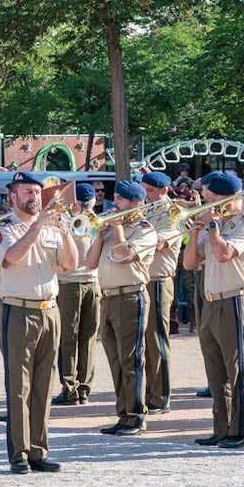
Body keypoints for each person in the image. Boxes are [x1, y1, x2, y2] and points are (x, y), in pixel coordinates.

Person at [0, 171, 79, 474]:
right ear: (13, 197)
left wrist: (64, 231)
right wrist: (37, 227)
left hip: (49, 310)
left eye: (37, 192)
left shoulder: (53, 227)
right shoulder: (3, 229)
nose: (33, 197)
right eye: (27, 192)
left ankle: (39, 451)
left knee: (43, 385)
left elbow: (70, 263)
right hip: (18, 310)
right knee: (19, 386)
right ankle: (19, 453)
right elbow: (11, 258)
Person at [182, 171, 244, 449]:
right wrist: (194, 231)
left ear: (232, 198)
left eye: (213, 198)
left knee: (236, 369)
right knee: (215, 370)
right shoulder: (217, 225)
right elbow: (190, 263)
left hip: (233, 300)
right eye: (208, 197)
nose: (208, 202)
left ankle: (239, 431)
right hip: (210, 301)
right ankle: (221, 427)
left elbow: (225, 254)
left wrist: (212, 226)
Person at [90, 180, 162, 436]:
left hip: (131, 297)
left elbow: (122, 255)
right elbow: (89, 263)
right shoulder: (110, 229)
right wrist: (100, 235)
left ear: (134, 203)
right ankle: (123, 413)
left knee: (131, 359)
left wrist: (118, 229)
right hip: (108, 298)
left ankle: (136, 415)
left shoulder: (144, 230)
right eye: (115, 199)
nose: (114, 204)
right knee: (116, 360)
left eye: (119, 200)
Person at [55, 182, 101, 405]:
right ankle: (83, 388)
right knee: (87, 338)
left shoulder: (66, 222)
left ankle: (70, 387)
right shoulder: (100, 220)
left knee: (68, 337)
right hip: (93, 284)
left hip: (69, 284)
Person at [139, 171, 178, 412]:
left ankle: (161, 395)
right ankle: (147, 391)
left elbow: (158, 242)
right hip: (142, 279)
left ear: (162, 191)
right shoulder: (146, 211)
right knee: (143, 340)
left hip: (159, 280)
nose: (145, 195)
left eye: (149, 191)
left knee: (157, 340)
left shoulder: (172, 213)